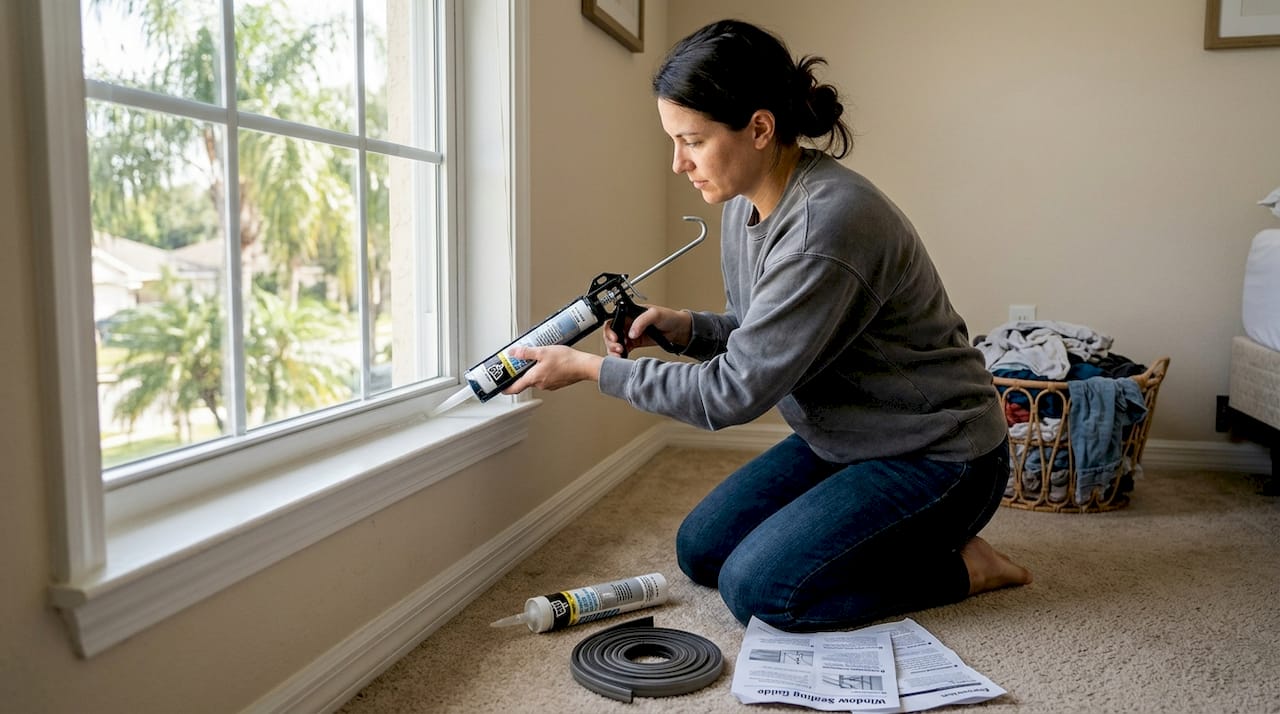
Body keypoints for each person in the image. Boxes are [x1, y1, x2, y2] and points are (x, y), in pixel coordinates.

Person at [503, 18, 1031, 632]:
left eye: (692, 141)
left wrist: (592, 370)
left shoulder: (824, 227)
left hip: (938, 455)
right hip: (845, 440)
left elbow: (731, 393)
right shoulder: (745, 202)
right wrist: (686, 328)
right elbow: (766, 335)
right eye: (674, 141)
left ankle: (965, 568)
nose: (678, 163)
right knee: (701, 551)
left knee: (760, 590)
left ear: (759, 128)